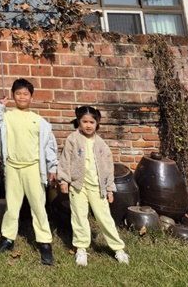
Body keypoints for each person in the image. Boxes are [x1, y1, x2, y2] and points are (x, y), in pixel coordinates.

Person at [0, 78, 57, 265]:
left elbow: (49, 146)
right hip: (12, 167)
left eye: (25, 94)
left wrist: (52, 167)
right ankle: (7, 239)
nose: (22, 97)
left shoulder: (40, 121)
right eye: (18, 93)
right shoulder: (6, 117)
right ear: (13, 95)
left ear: (31, 97)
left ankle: (45, 243)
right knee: (11, 206)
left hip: (33, 167)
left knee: (38, 206)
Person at [58, 105, 129, 266]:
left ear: (97, 123)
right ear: (78, 122)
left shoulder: (101, 144)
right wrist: (64, 180)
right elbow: (65, 161)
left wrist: (109, 188)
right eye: (85, 121)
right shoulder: (72, 139)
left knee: (104, 217)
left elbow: (108, 168)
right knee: (79, 216)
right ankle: (81, 248)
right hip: (78, 186)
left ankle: (118, 249)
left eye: (92, 122)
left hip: (97, 187)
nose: (88, 125)